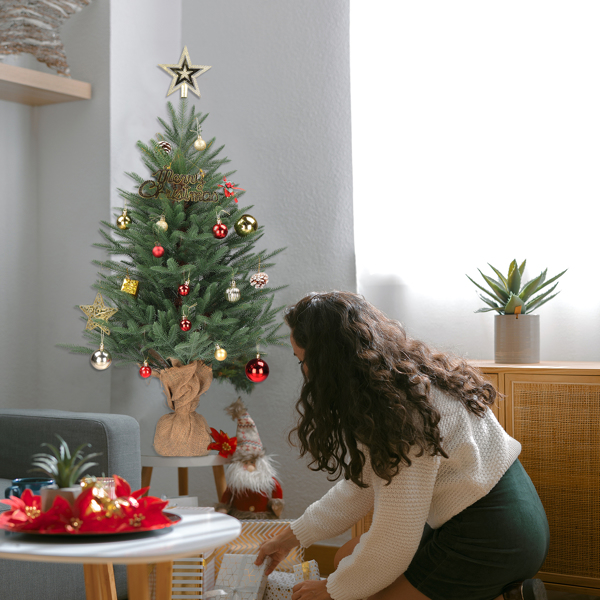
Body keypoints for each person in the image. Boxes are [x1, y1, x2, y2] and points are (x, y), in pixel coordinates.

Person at [255, 291, 550, 600]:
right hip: (509, 513)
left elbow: (395, 538)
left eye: (303, 360)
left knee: (359, 593)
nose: (304, 371)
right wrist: (293, 536)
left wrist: (332, 591)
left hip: (489, 533)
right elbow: (362, 487)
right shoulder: (396, 383)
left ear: (328, 361)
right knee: (344, 558)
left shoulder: (399, 413)